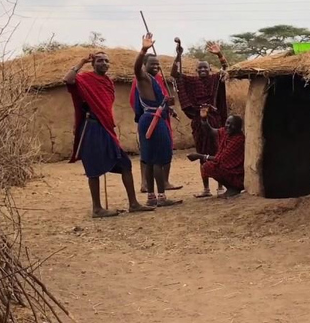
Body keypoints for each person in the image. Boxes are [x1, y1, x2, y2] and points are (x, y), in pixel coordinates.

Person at [64, 52, 154, 217]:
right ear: (93, 64)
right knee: (94, 168)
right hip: (91, 128)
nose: (104, 63)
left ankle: (133, 204)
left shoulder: (108, 82)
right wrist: (82, 61)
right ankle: (97, 208)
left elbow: (105, 106)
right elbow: (68, 79)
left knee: (125, 164)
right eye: (100, 61)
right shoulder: (85, 78)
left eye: (106, 61)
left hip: (105, 128)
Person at [171, 40, 228, 198]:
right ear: (196, 71)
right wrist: (178, 54)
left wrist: (219, 54)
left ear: (210, 69)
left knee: (218, 153)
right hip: (198, 123)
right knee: (201, 154)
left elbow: (225, 69)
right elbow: (175, 74)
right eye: (200, 68)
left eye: (205, 67)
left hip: (214, 121)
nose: (203, 70)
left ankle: (220, 186)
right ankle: (206, 189)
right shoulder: (191, 82)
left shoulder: (215, 79)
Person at [134, 33, 182, 207]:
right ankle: (161, 197)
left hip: (151, 119)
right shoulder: (143, 78)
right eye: (152, 64)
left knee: (149, 159)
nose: (155, 66)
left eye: (157, 64)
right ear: (145, 65)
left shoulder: (153, 81)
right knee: (157, 160)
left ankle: (151, 197)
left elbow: (158, 102)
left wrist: (168, 106)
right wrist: (143, 50)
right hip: (153, 121)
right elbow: (136, 68)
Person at [186, 115, 245, 198]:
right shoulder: (226, 132)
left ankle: (234, 188)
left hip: (237, 175)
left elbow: (221, 159)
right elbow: (210, 131)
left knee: (210, 166)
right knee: (208, 166)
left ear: (238, 127)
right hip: (230, 171)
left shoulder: (238, 139)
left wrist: (199, 156)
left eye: (232, 124)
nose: (228, 126)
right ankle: (230, 188)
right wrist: (204, 119)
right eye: (227, 123)